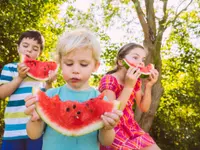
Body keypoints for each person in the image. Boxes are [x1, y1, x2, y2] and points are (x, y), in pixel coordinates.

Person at [24, 29, 123, 150]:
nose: (75, 70)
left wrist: (107, 128)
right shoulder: (50, 94)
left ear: (95, 66)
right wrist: (35, 120)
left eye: (83, 64)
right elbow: (33, 135)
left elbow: (106, 142)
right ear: (60, 63)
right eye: (69, 63)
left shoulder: (102, 100)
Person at [0, 30, 56, 150]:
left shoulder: (42, 72)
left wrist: (49, 83)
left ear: (39, 53)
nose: (29, 50)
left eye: (35, 48)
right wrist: (20, 77)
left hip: (36, 129)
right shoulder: (9, 68)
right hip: (12, 131)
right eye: (25, 46)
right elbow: (2, 93)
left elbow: (48, 99)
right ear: (18, 48)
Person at [99, 43, 161, 150]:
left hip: (131, 127)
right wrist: (128, 86)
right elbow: (111, 112)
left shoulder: (135, 81)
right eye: (135, 57)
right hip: (113, 129)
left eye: (143, 59)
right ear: (121, 62)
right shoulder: (109, 79)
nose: (141, 62)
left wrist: (149, 86)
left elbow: (144, 107)